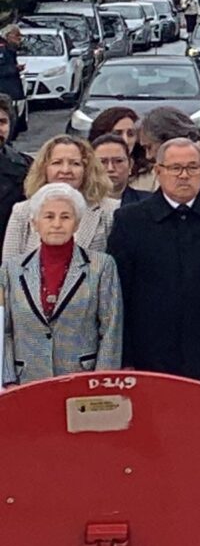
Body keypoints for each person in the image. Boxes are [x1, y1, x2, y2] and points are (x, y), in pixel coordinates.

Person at [106, 136, 200, 391]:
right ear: (158, 171)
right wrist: (125, 356)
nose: (184, 176)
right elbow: (118, 294)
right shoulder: (130, 220)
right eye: (175, 168)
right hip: (150, 352)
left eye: (192, 168)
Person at [4, 183, 124, 387]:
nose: (57, 224)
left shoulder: (101, 266)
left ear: (77, 224)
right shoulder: (11, 269)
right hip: (27, 381)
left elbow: (111, 329)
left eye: (65, 217)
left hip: (82, 381)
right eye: (49, 217)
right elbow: (5, 330)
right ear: (35, 223)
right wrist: (9, 381)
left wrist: (102, 382)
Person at [1, 134, 113, 262]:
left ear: (87, 170)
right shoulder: (22, 211)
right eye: (57, 163)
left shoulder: (108, 211)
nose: (65, 170)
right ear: (44, 168)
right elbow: (9, 267)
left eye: (75, 164)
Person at [90, 132, 138, 207]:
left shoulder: (147, 203)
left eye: (118, 161)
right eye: (102, 162)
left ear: (130, 165)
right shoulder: (79, 203)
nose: (110, 169)